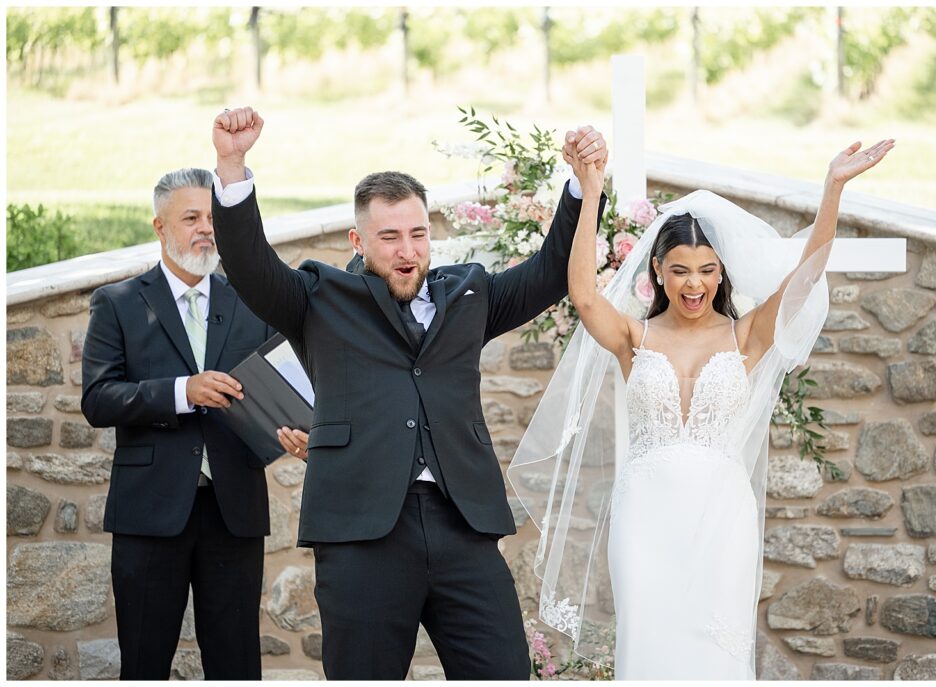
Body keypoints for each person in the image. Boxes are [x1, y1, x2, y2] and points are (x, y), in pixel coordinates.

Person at [208, 106, 608, 680]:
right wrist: (231, 165)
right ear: (358, 240)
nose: (407, 251)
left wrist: (578, 184)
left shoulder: (470, 293)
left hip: (463, 527)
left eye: (417, 234)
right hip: (360, 534)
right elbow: (249, 267)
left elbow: (549, 271)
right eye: (389, 237)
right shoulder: (318, 298)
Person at [509, 137, 894, 679]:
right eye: (682, 270)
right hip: (644, 519)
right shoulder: (632, 337)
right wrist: (591, 191)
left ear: (722, 272)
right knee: (647, 645)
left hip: (723, 520)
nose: (696, 284)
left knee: (716, 655)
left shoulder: (747, 335)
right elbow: (585, 296)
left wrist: (832, 188)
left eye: (708, 270)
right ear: (659, 272)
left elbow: (807, 274)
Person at [81, 168, 278, 679]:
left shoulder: (250, 301)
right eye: (191, 218)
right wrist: (180, 393)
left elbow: (280, 385)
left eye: (212, 219)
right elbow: (99, 400)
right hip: (148, 513)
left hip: (233, 511)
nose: (205, 229)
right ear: (159, 227)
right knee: (144, 664)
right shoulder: (119, 303)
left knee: (237, 666)